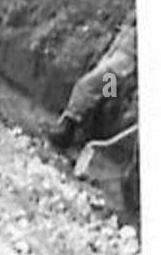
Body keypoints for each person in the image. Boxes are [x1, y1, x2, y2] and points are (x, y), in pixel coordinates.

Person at [48, 9, 137, 150]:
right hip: (114, 59)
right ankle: (81, 136)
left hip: (120, 65)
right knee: (104, 98)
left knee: (85, 86)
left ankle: (67, 131)